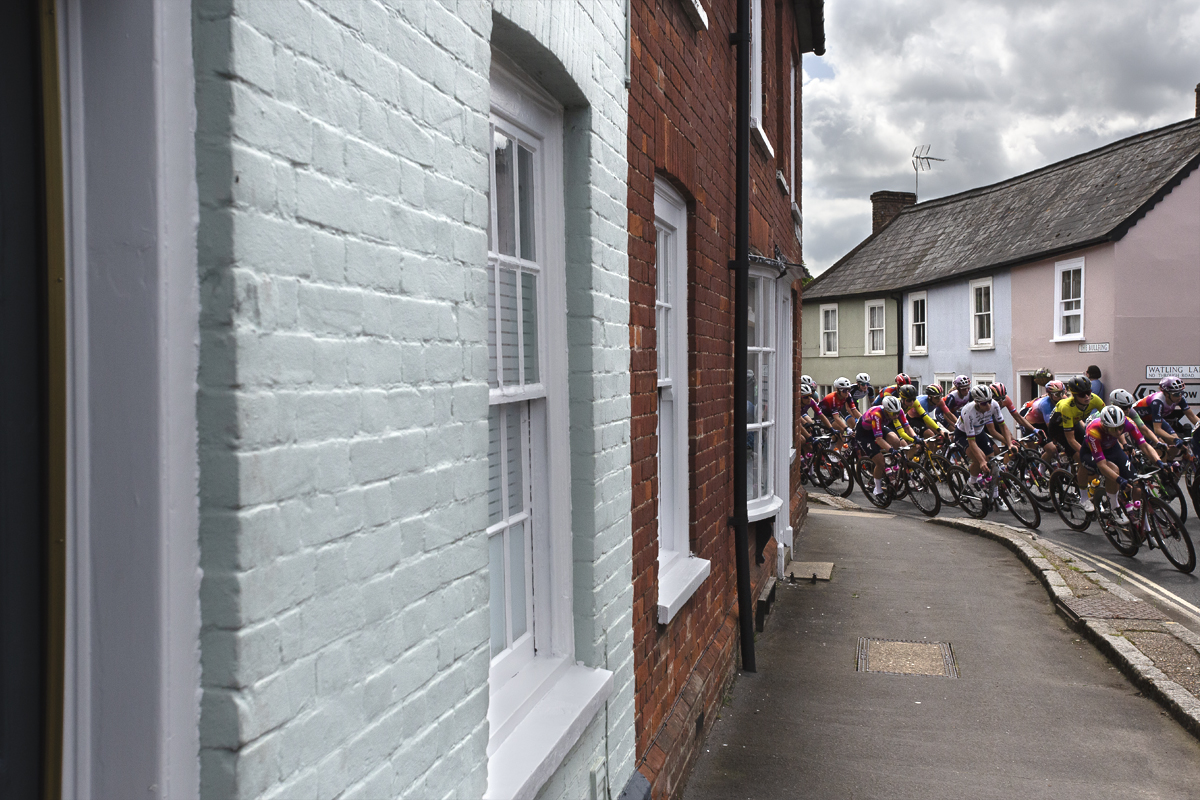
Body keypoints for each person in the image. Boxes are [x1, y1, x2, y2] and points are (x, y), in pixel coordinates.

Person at [1081, 405, 1163, 523]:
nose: (1119, 432)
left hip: (1112, 448)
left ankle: (1135, 513)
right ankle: (1114, 508)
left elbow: (1144, 445)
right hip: (1090, 453)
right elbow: (1102, 465)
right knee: (1114, 471)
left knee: (1136, 483)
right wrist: (1119, 480)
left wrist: (1158, 461)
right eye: (1114, 429)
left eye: (1120, 428)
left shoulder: (1127, 422)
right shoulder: (1094, 431)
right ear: (1104, 426)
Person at [1049, 375, 1107, 501]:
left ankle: (1090, 484)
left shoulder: (1094, 399)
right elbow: (1070, 439)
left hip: (1074, 422)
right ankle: (1084, 498)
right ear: (1074, 396)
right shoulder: (1066, 407)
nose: (1087, 397)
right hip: (1058, 430)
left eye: (1088, 393)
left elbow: (1108, 417)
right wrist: (1087, 454)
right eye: (1082, 395)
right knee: (1084, 461)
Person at [854, 395, 915, 500]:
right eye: (893, 414)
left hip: (877, 427)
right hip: (864, 433)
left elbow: (907, 427)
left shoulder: (897, 411)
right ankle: (877, 489)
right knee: (880, 462)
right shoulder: (877, 414)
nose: (896, 416)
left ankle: (894, 466)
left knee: (896, 440)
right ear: (886, 411)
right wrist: (891, 450)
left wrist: (916, 438)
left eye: (897, 413)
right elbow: (879, 440)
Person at [955, 384, 1010, 488]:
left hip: (979, 432)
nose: (988, 406)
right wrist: (981, 461)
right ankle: (972, 482)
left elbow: (1003, 426)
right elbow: (971, 442)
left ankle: (994, 494)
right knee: (979, 458)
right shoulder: (968, 412)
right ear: (977, 402)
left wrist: (1010, 443)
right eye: (984, 403)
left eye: (989, 401)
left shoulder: (994, 404)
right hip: (963, 435)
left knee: (992, 460)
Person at [1134, 376, 1200, 453]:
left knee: (1176, 443)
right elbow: (1157, 430)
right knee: (1161, 445)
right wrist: (1175, 440)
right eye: (1176, 394)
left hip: (1153, 418)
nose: (1179, 396)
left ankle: (1171, 463)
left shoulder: (1180, 398)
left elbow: (1191, 416)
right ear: (1166, 394)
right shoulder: (1157, 402)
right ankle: (1161, 462)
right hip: (1139, 420)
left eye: (1181, 392)